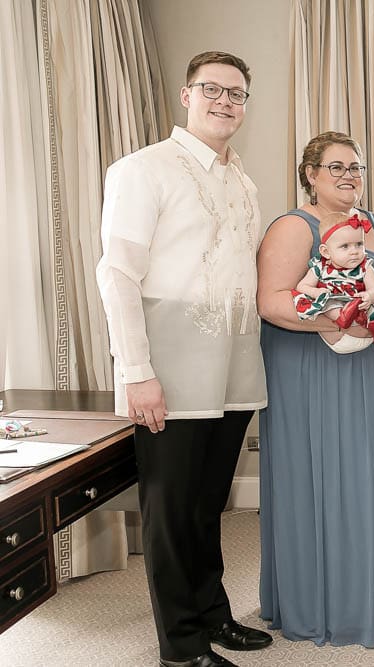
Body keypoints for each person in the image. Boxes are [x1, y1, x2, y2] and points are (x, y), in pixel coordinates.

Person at [96, 51, 272, 667]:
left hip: (232, 362)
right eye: (213, 90)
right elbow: (117, 274)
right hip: (168, 363)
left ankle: (212, 613)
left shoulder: (244, 182)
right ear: (185, 94)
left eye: (237, 94)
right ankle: (181, 646)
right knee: (170, 509)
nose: (226, 102)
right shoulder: (143, 170)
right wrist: (136, 371)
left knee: (208, 502)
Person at [255, 131, 374, 647]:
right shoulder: (293, 226)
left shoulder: (373, 223)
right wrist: (339, 326)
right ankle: (331, 605)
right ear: (310, 174)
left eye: (356, 167)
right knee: (336, 478)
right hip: (320, 372)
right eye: (336, 167)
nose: (350, 176)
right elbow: (272, 302)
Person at [292, 211, 374, 349]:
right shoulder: (320, 266)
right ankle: (342, 317)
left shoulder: (365, 266)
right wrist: (316, 292)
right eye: (345, 246)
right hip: (338, 301)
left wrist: (369, 296)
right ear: (326, 252)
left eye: (359, 244)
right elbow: (302, 286)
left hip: (359, 302)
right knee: (327, 302)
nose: (354, 251)